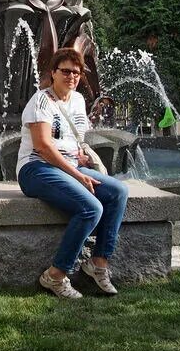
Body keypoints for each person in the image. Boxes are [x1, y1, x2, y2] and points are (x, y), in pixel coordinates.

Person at [17, 47, 129, 300]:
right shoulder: (41, 102)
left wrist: (81, 156)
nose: (72, 76)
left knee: (118, 191)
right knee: (91, 208)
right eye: (65, 71)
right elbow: (44, 147)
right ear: (52, 73)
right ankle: (55, 275)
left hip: (70, 166)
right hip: (36, 169)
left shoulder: (77, 100)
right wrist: (79, 175)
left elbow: (74, 137)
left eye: (76, 73)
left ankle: (98, 263)